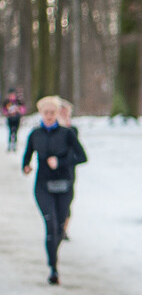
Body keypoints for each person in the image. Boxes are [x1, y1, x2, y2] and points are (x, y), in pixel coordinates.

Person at [22, 96, 87, 285]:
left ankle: (53, 255)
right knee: (50, 225)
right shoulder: (35, 134)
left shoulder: (68, 133)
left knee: (59, 227)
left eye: (52, 112)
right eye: (46, 112)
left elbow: (82, 157)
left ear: (57, 113)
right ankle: (53, 267)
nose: (49, 116)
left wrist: (60, 162)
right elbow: (27, 156)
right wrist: (26, 167)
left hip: (64, 186)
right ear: (41, 113)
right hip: (43, 186)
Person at [54, 97, 84, 241]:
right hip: (53, 170)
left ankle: (63, 229)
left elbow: (78, 152)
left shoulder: (72, 130)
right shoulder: (52, 130)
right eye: (61, 112)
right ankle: (55, 226)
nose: (64, 115)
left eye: (66, 112)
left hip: (69, 170)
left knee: (67, 201)